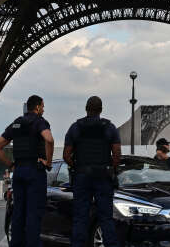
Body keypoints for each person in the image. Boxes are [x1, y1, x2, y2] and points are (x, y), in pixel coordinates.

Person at [0, 95, 53, 247]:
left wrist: (11, 165)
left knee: (18, 214)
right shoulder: (39, 122)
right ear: (38, 107)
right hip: (35, 171)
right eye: (43, 106)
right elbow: (49, 139)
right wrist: (48, 161)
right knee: (33, 214)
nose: (44, 109)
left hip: (18, 171)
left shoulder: (16, 124)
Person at [62, 96, 121, 247]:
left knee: (80, 217)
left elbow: (66, 155)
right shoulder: (109, 127)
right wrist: (111, 169)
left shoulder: (76, 127)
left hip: (82, 176)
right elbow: (116, 155)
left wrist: (76, 166)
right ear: (101, 110)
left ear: (86, 109)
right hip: (103, 176)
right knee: (106, 218)